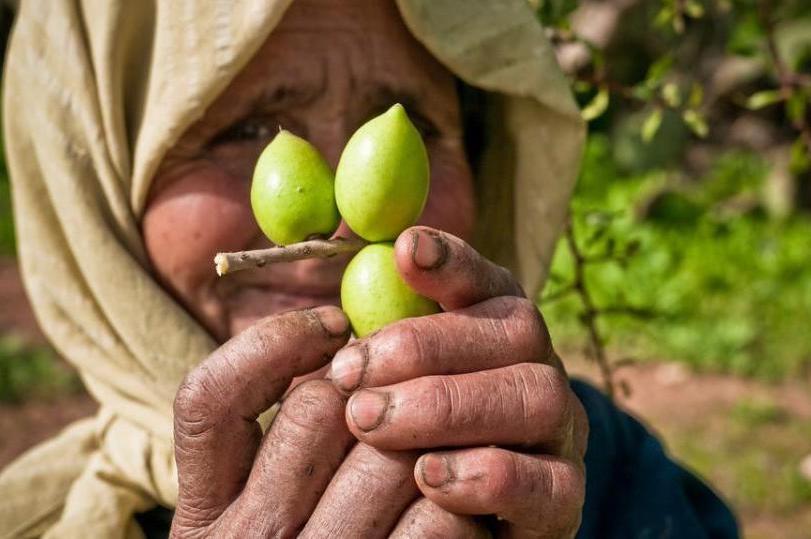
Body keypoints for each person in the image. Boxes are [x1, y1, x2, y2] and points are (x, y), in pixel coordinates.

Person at [0, 1, 738, 537]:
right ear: (95, 185)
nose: (347, 217)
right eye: (246, 129)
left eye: (411, 126)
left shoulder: (597, 464)